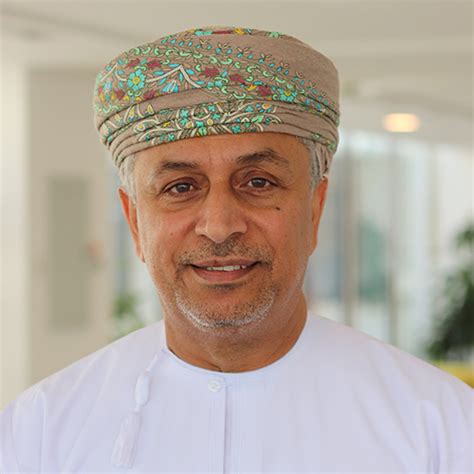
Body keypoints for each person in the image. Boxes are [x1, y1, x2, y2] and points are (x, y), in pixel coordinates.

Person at [1, 26, 472, 473]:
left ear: (315, 208)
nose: (220, 226)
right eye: (181, 187)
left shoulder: (441, 426)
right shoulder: (41, 431)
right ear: (134, 221)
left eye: (258, 182)